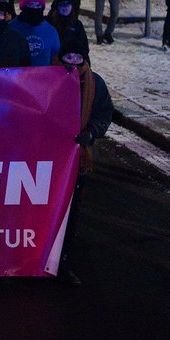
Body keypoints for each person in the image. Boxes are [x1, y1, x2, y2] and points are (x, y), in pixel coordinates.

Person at [55, 38, 113, 285]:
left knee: (70, 212)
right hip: (50, 158)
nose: (73, 63)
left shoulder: (95, 83)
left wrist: (90, 132)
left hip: (77, 159)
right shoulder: (47, 79)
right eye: (68, 57)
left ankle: (63, 261)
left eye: (78, 58)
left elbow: (104, 113)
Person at [10, 0, 61, 66]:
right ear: (23, 6)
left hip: (43, 73)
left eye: (38, 5)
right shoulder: (11, 28)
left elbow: (55, 57)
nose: (34, 8)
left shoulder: (50, 31)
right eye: (31, 4)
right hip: (17, 73)